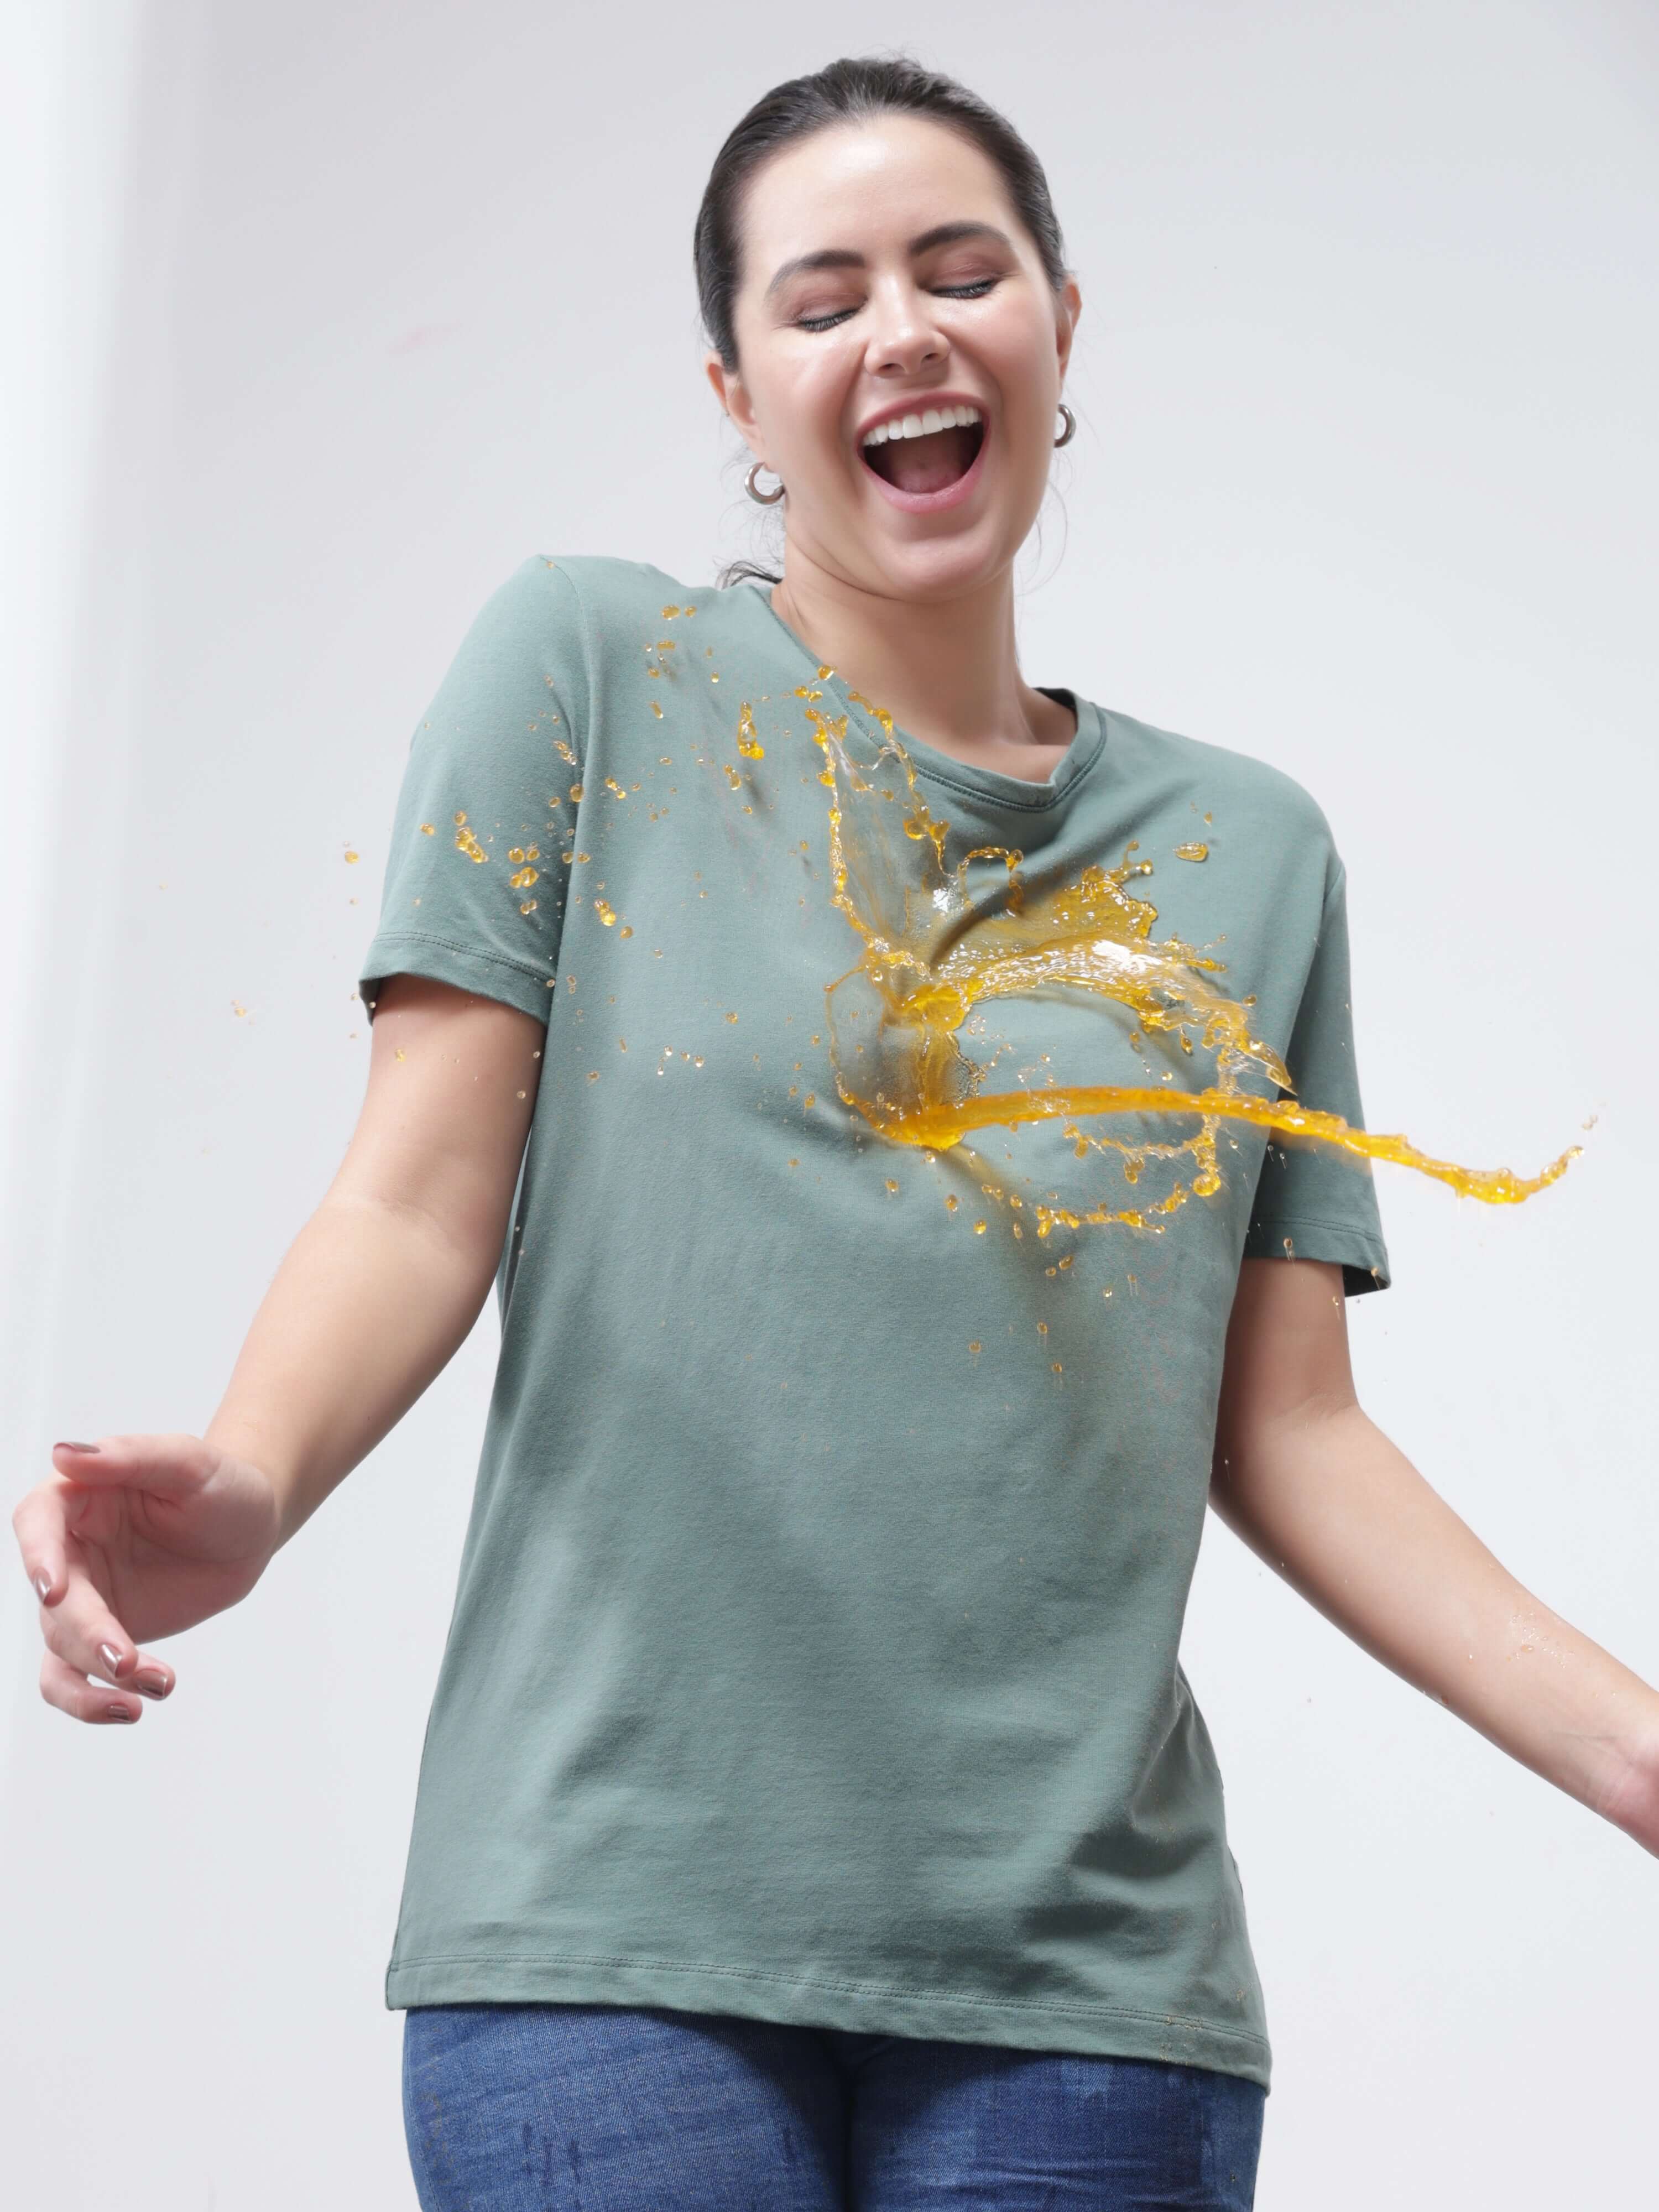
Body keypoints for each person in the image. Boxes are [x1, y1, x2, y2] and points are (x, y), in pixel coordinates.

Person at [13, 54, 1659, 2212]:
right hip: (608, 1939)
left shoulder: (1248, 854)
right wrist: (248, 1479)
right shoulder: (590, 676)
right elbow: (417, 1197)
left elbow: (1292, 1430)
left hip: (1088, 1989)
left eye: (961, 270)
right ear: (738, 387)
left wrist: (1637, 1751)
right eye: (823, 296)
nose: (903, 329)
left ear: (1064, 321)